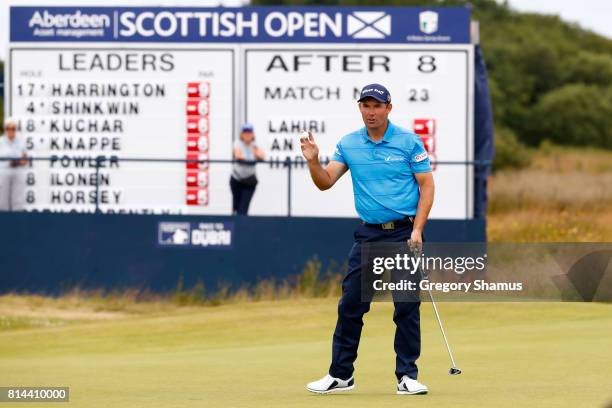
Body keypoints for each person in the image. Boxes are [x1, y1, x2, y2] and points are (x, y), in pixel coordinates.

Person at [301, 84, 435, 395]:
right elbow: (325, 182)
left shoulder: (408, 141)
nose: (371, 111)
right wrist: (312, 161)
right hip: (368, 235)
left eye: (377, 106)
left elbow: (427, 186)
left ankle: (407, 376)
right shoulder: (349, 144)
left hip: (404, 233)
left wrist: (417, 229)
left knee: (405, 305)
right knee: (351, 304)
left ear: (389, 107)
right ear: (359, 108)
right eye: (366, 105)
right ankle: (341, 375)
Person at [230, 123, 264, 215]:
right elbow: (238, 155)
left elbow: (262, 156)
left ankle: (241, 227)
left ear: (253, 134)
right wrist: (252, 157)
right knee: (236, 207)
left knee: (243, 208)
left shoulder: (255, 144)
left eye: (249, 132)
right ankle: (237, 226)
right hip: (237, 179)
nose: (247, 134)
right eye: (245, 132)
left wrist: (254, 153)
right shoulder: (238, 143)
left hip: (249, 181)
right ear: (242, 134)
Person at [0, 118, 28, 211]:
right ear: (5, 129)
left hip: (18, 171)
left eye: (13, 128)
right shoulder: (0, 142)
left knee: (18, 199)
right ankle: (4, 221)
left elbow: (25, 158)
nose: (11, 131)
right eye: (8, 128)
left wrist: (17, 161)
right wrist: (12, 160)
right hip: (4, 172)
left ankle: (17, 221)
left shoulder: (21, 141)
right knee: (2, 198)